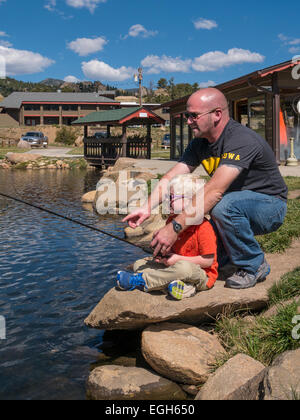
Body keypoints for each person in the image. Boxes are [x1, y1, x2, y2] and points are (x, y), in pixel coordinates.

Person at [123, 88, 288, 290]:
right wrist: (146, 208)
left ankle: (253, 264)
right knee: (205, 227)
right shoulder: (199, 144)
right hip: (233, 203)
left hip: (270, 206)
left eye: (194, 116)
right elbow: (170, 177)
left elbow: (214, 191)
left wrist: (174, 228)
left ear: (217, 114)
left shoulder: (241, 140)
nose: (188, 121)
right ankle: (226, 258)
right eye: (187, 115)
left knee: (221, 206)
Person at [117, 175, 218, 300]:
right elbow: (171, 249)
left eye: (171, 197)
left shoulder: (203, 227)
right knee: (139, 264)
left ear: (190, 201)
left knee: (183, 268)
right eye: (167, 197)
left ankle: (143, 281)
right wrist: (164, 255)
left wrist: (178, 259)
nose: (167, 201)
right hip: (174, 267)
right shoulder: (171, 222)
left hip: (201, 273)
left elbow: (208, 261)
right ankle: (178, 287)